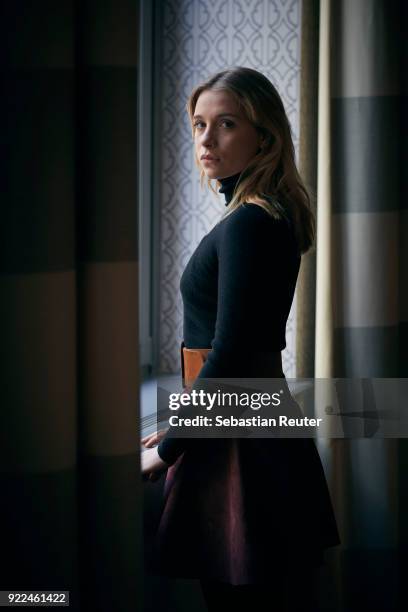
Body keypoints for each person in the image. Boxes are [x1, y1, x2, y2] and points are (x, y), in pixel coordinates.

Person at [141, 67, 340, 611]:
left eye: (225, 124)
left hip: (241, 440)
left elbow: (231, 354)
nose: (206, 139)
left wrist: (169, 446)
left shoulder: (250, 223)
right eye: (200, 124)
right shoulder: (255, 217)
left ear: (265, 136)